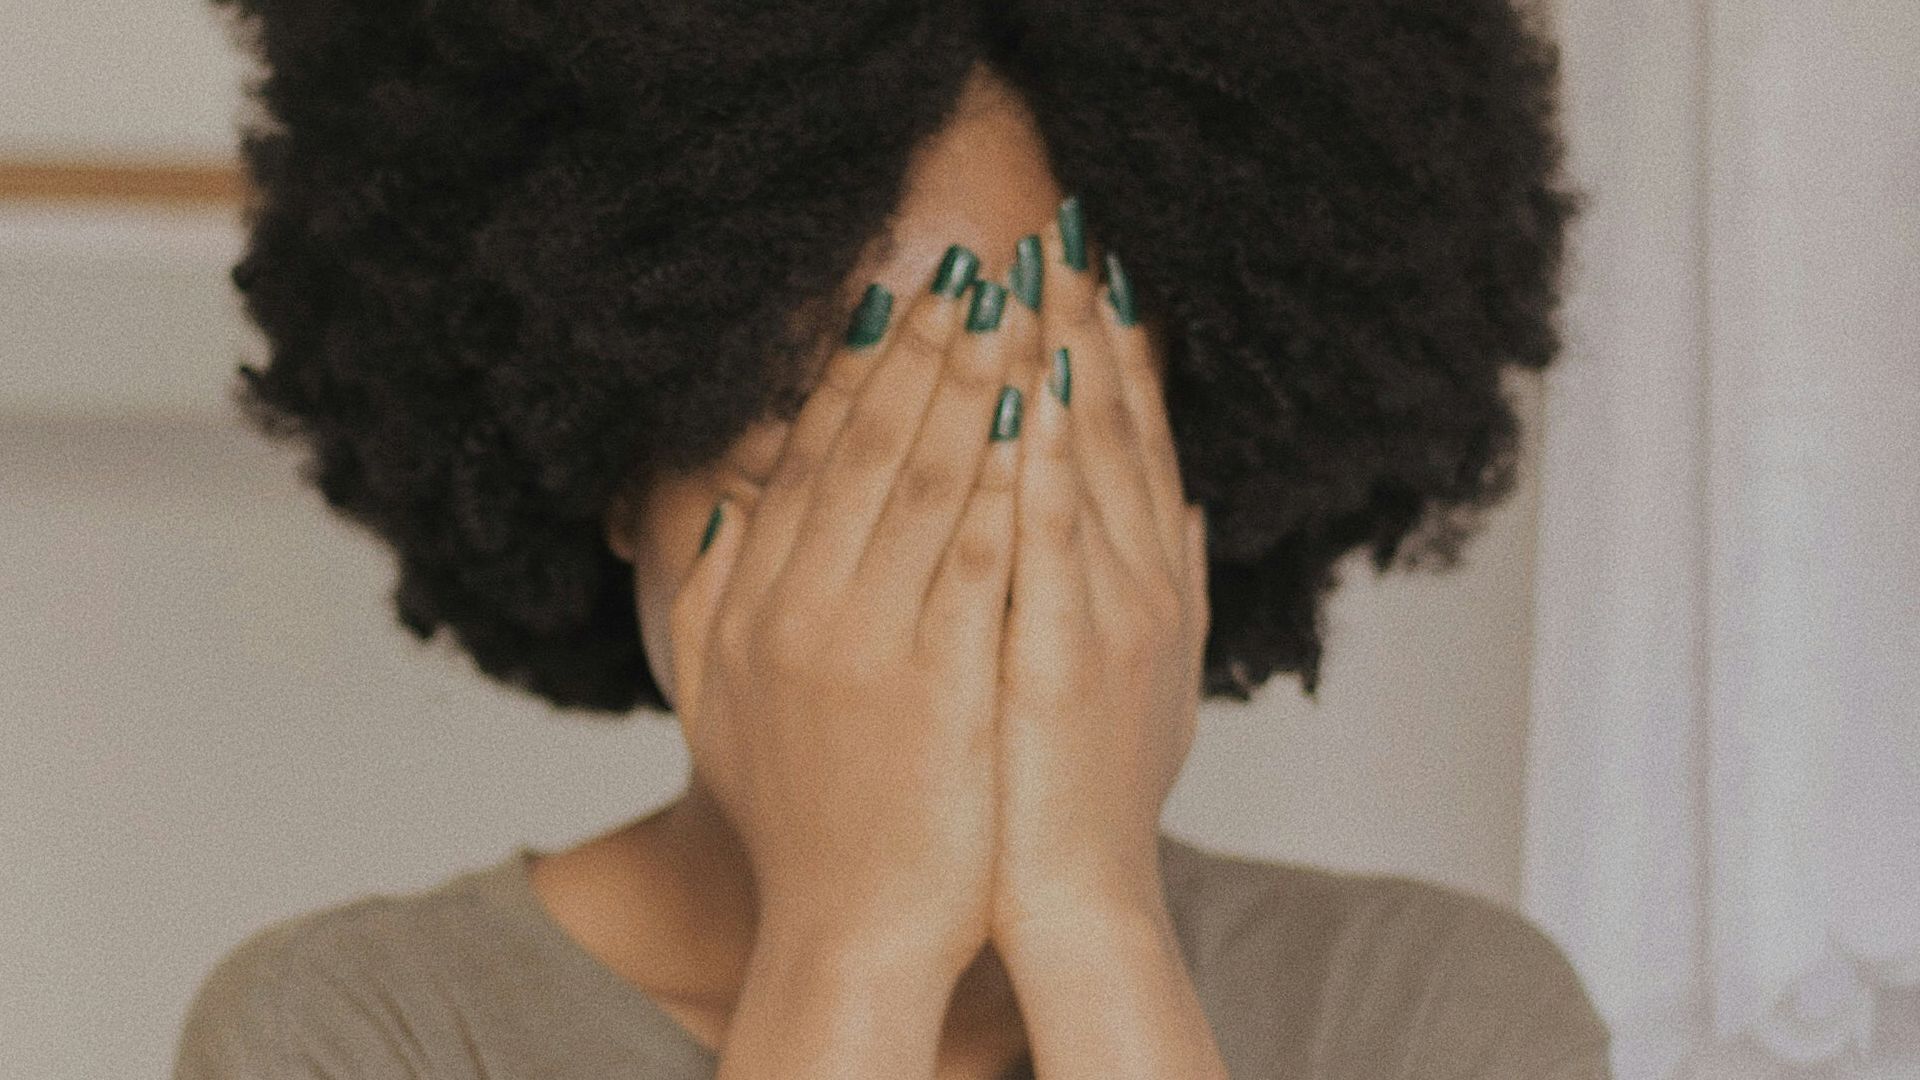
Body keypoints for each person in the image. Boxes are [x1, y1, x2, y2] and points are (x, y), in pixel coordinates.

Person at [178, 2, 1604, 1077]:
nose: (931, 537)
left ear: (1187, 475)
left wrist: (1091, 925)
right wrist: (853, 941)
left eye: (1034, 408)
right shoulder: (360, 1032)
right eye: (814, 424)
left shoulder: (1432, 1015)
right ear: (619, 467)